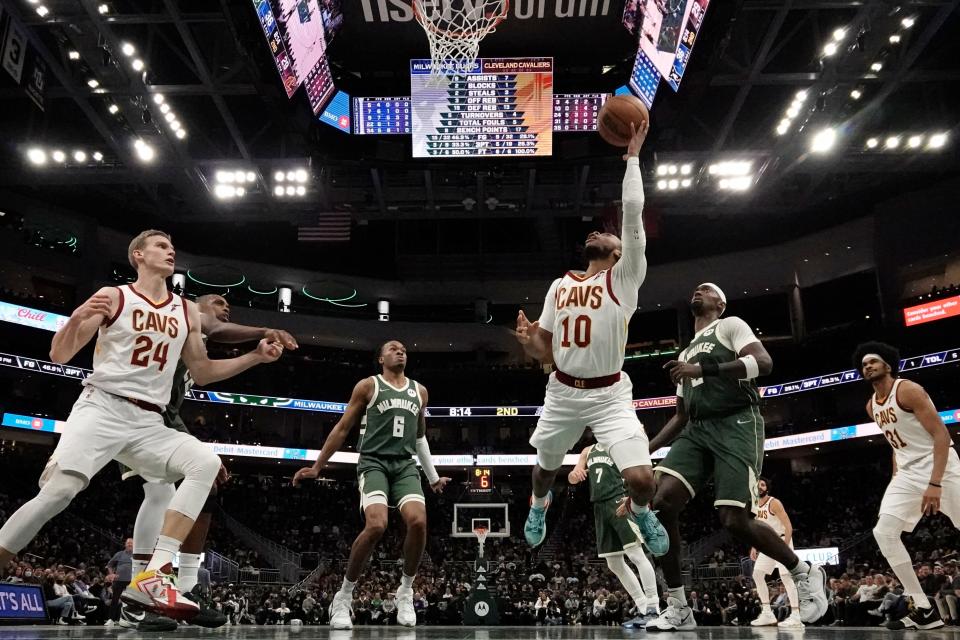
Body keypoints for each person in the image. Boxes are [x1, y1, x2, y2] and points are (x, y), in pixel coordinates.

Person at [0, 230, 284, 622]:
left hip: (149, 419)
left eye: (172, 248)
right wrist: (79, 316)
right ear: (138, 255)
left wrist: (255, 356)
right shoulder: (115, 296)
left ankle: (152, 577)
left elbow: (201, 371)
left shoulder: (185, 311)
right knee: (59, 494)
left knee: (202, 462)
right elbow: (60, 354)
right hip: (102, 407)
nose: (170, 252)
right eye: (161, 246)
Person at [515, 121, 666, 555]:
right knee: (544, 471)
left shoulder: (624, 279)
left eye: (605, 233)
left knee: (641, 480)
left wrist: (634, 157)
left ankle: (641, 512)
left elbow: (633, 213)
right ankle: (539, 505)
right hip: (562, 391)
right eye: (594, 233)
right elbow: (544, 346)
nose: (594, 232)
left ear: (620, 252)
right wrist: (529, 342)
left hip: (611, 394)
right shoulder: (559, 285)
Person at [644, 282, 828, 631]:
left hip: (736, 422)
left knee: (733, 519)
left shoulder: (730, 325)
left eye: (706, 289)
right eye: (694, 289)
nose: (697, 291)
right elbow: (681, 415)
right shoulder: (684, 355)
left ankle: (803, 571)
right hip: (697, 429)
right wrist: (648, 448)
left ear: (721, 303)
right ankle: (679, 605)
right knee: (662, 502)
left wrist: (705, 370)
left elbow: (764, 362)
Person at [118, 293, 297, 630]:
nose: (225, 305)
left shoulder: (197, 338)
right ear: (196, 306)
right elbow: (217, 331)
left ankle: (182, 587)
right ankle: (138, 595)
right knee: (158, 492)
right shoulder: (183, 318)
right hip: (131, 414)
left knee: (198, 485)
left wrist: (199, 449)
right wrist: (265, 332)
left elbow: (174, 405)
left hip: (160, 418)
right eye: (217, 301)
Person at [293, 340, 450, 629]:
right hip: (374, 462)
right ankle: (344, 596)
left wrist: (432, 477)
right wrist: (318, 467)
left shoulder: (420, 391)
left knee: (418, 522)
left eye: (403, 348)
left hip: (404, 465)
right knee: (377, 525)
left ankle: (405, 591)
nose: (400, 351)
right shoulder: (368, 386)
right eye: (392, 348)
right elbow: (342, 428)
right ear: (380, 358)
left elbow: (419, 437)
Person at [856, 340, 960, 630]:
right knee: (884, 532)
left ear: (887, 365)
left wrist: (935, 483)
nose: (868, 366)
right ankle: (924, 607)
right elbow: (895, 446)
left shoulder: (908, 390)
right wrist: (895, 479)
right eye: (864, 364)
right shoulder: (870, 406)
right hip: (907, 472)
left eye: (873, 361)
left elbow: (941, 435)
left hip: (941, 465)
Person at [568, 440, 659, 628]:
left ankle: (653, 607)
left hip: (619, 500)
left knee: (636, 554)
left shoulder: (620, 444)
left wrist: (633, 498)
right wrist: (574, 474)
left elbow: (641, 471)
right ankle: (642, 607)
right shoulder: (588, 450)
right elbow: (572, 477)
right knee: (614, 563)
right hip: (599, 507)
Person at [748, 477, 803, 628]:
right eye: (757, 485)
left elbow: (788, 526)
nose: (759, 487)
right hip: (767, 543)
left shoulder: (774, 502)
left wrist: (785, 547)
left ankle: (796, 615)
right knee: (757, 574)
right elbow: (756, 529)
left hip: (781, 540)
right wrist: (754, 546)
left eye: (763, 485)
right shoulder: (753, 505)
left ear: (767, 488)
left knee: (786, 576)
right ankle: (767, 613)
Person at [105, 538, 133, 625]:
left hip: (132, 581)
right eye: (128, 543)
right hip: (119, 580)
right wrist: (111, 574)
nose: (129, 544)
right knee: (115, 599)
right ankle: (111, 620)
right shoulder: (119, 554)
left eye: (131, 543)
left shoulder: (136, 555)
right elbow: (109, 565)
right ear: (125, 544)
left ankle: (129, 619)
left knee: (132, 601)